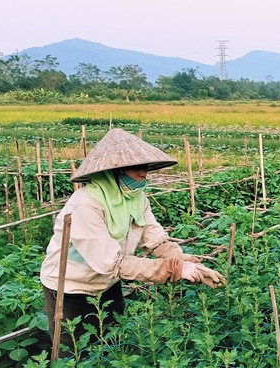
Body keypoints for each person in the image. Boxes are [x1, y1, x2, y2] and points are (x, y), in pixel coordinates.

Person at [40, 128, 225, 350]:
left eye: (145, 167)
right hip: (71, 286)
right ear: (114, 170)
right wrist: (168, 269)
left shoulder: (136, 197)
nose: (143, 173)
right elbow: (110, 262)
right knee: (76, 352)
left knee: (114, 341)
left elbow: (156, 239)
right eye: (136, 167)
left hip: (107, 282)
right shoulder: (85, 204)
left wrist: (183, 262)